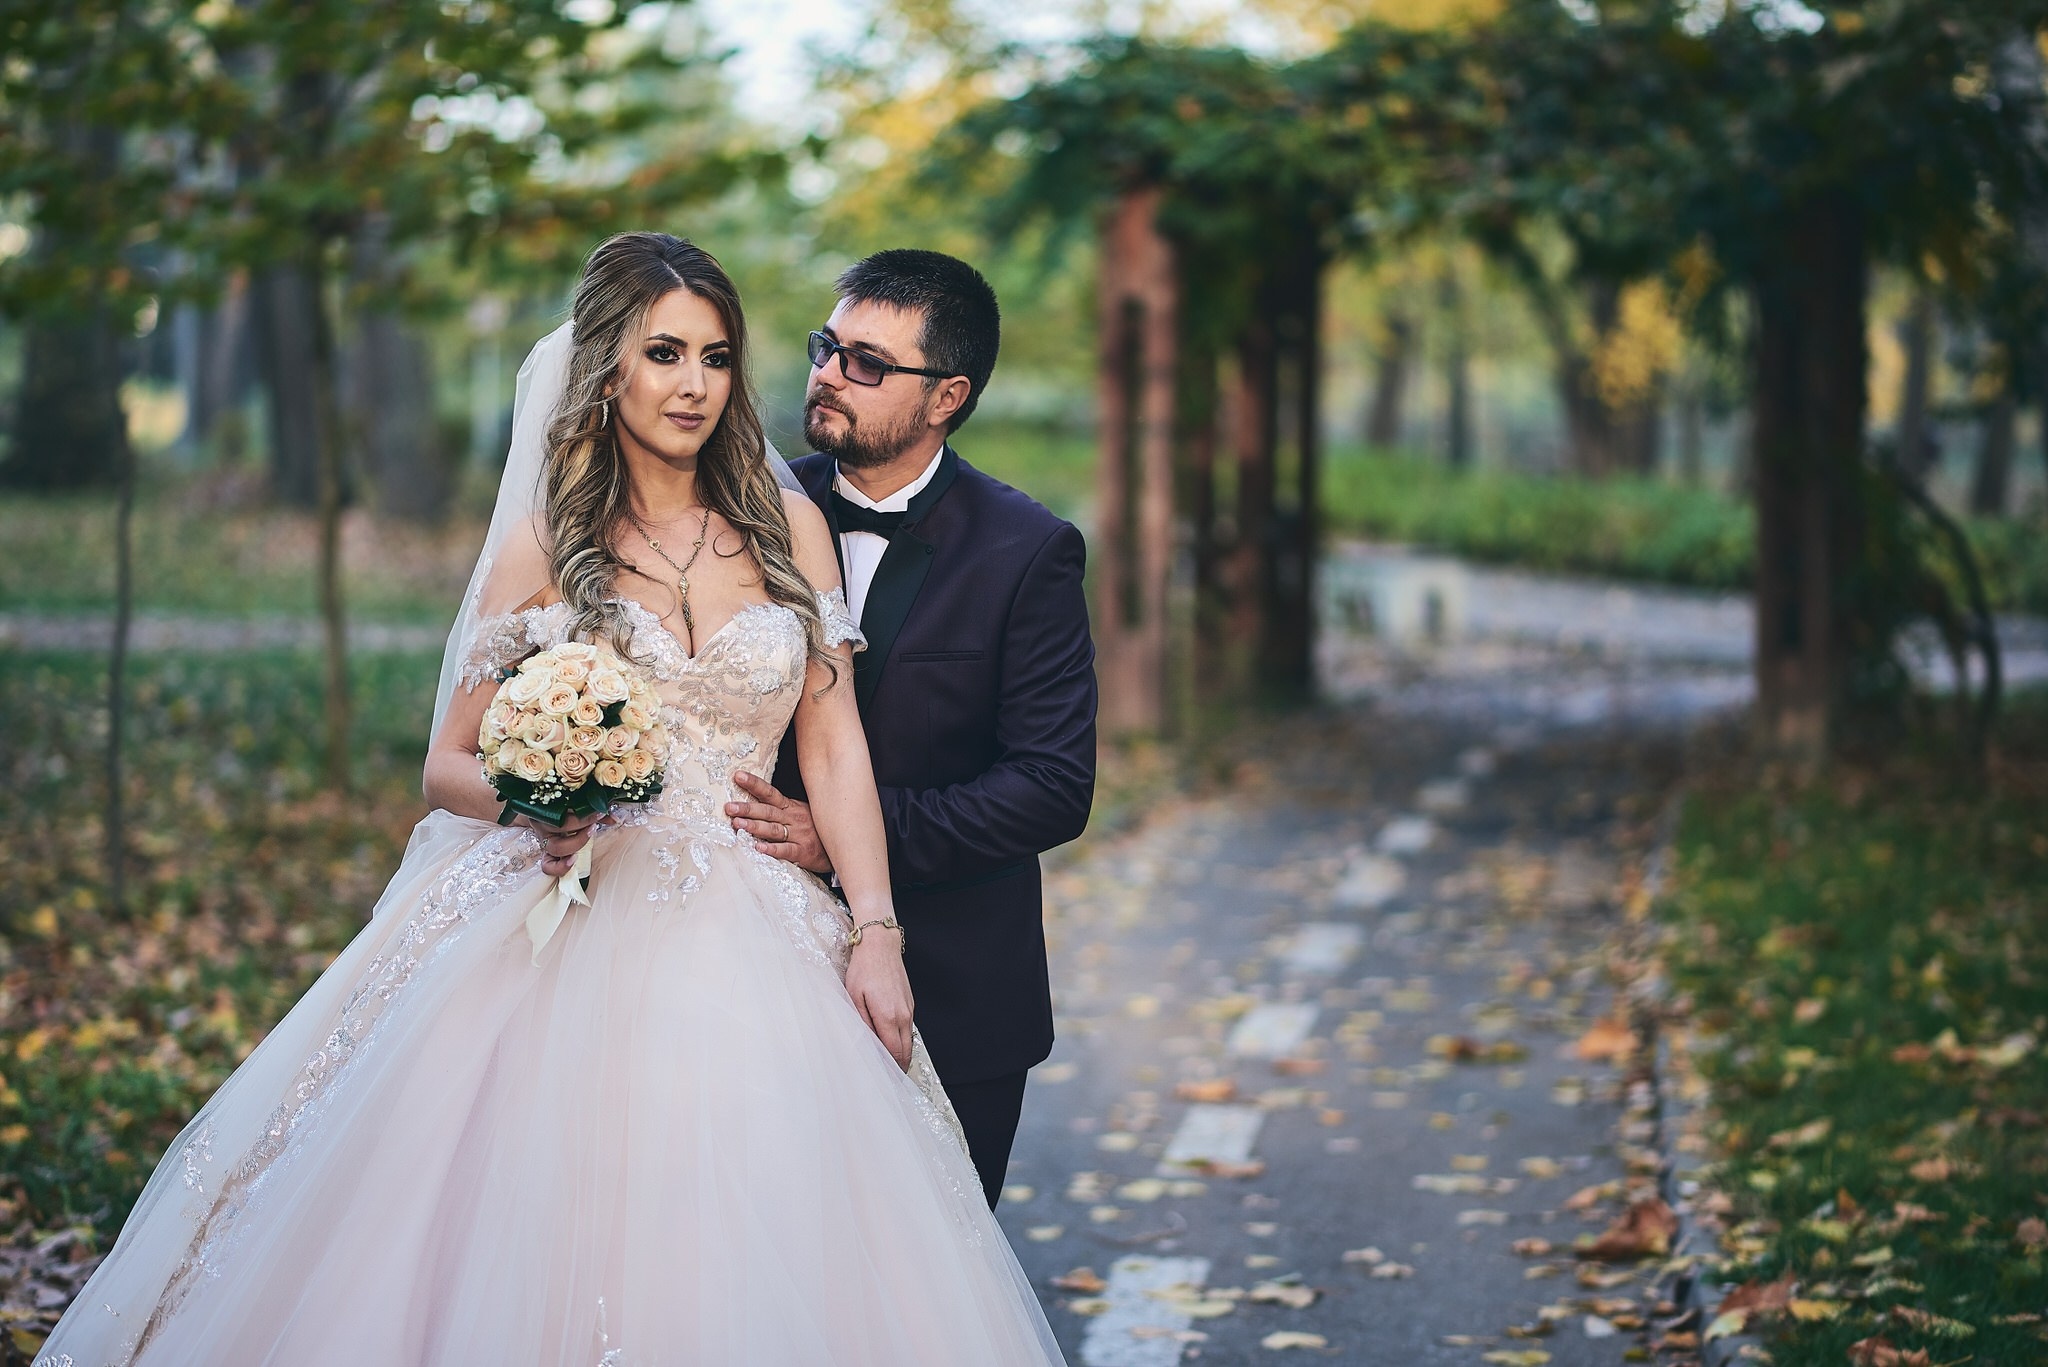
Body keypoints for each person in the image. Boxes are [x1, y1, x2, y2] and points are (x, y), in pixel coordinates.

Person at [34, 233, 1066, 1367]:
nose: (693, 382)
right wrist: (534, 800)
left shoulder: (789, 526)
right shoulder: (545, 539)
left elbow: (834, 744)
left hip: (764, 927)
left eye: (716, 357)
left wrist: (874, 926)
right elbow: (447, 763)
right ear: (606, 368)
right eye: (662, 352)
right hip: (564, 913)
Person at [728, 250, 1097, 1208]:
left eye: (867, 363)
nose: (827, 374)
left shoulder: (1028, 551)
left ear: (947, 396)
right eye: (827, 346)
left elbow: (1054, 784)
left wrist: (846, 834)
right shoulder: (746, 513)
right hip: (750, 965)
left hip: (954, 990)